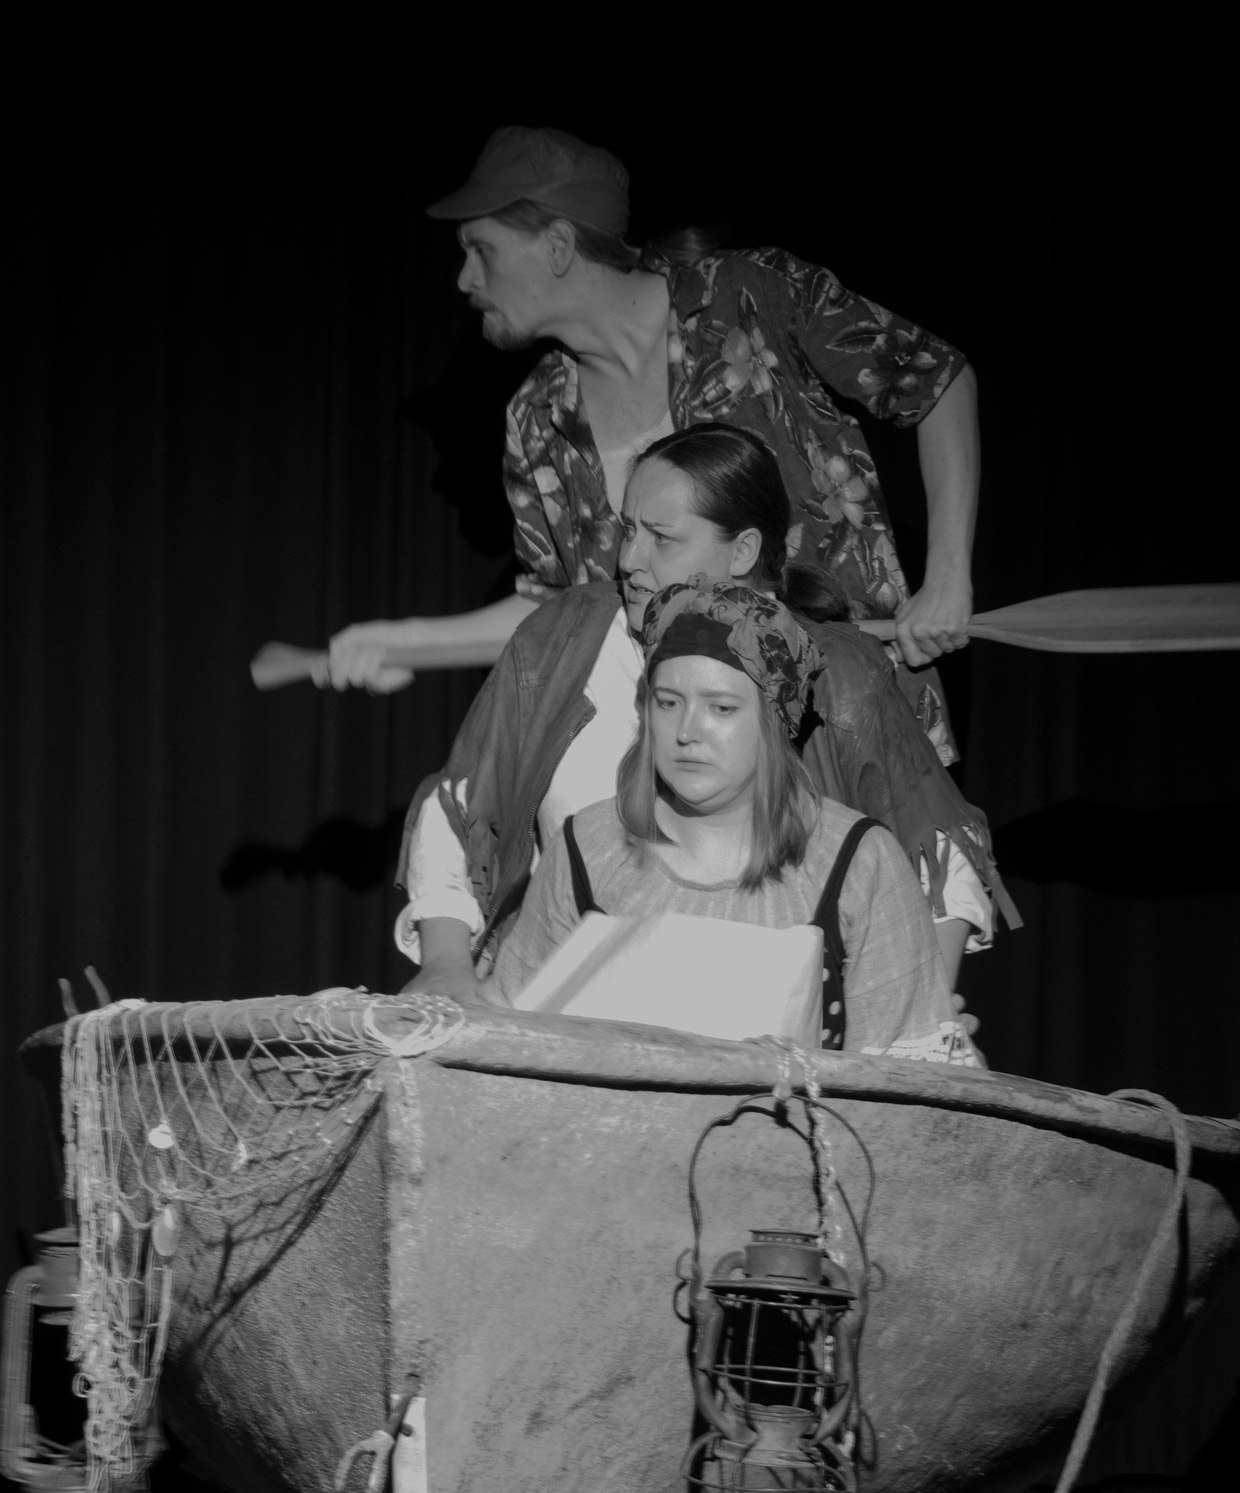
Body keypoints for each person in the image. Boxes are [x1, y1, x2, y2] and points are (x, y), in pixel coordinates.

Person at [327, 125, 981, 758]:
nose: (465, 279)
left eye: (482, 251)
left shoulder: (749, 295)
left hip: (847, 731)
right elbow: (561, 610)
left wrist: (948, 573)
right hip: (696, 767)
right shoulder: (539, 416)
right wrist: (405, 642)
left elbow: (938, 381)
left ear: (557, 246)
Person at [397, 424, 1018, 1014]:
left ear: (742, 550)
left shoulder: (837, 672)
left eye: (662, 538)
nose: (630, 559)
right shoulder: (565, 638)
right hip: (566, 1014)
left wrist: (918, 1015)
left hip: (766, 1036)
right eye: (628, 530)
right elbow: (464, 801)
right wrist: (446, 962)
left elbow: (939, 855)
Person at [490, 579, 979, 1063]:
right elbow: (509, 1040)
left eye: (721, 708)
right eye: (668, 702)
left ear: (774, 719)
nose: (687, 732)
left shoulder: (856, 862)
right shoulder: (588, 848)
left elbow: (900, 1081)